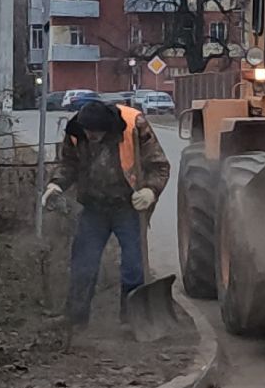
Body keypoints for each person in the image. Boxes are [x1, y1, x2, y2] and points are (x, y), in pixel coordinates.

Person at [43, 100, 170, 327]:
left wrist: (151, 190)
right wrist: (56, 184)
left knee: (133, 265)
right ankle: (75, 317)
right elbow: (68, 164)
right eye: (88, 132)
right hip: (94, 207)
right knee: (83, 261)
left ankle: (130, 319)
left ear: (107, 128)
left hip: (128, 207)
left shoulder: (134, 124)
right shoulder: (76, 130)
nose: (91, 136)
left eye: (96, 133)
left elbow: (159, 165)